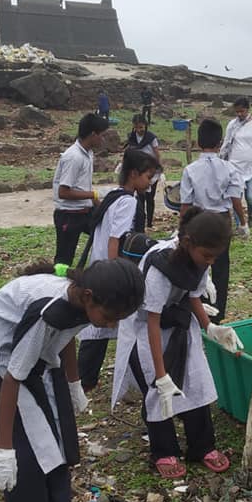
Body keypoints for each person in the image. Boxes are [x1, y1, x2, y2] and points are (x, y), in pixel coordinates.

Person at [0, 260, 145, 502]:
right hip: (4, 355)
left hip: (37, 357)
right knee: (30, 449)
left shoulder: (81, 302)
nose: (109, 326)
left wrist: (73, 383)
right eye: (108, 318)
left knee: (61, 442)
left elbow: (66, 338)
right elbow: (13, 377)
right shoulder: (47, 312)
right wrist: (4, 448)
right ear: (89, 297)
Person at [111, 209, 240, 479]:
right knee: (160, 392)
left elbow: (193, 296)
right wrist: (160, 373)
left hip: (180, 324)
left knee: (196, 381)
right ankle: (163, 449)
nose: (211, 261)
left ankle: (202, 445)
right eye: (207, 255)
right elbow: (152, 322)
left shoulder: (201, 260)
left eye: (215, 256)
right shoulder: (160, 267)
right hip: (149, 332)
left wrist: (209, 327)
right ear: (188, 242)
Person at [76, 150, 158, 391]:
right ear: (134, 174)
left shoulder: (113, 195)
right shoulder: (128, 201)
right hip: (109, 271)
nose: (150, 182)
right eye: (148, 176)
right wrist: (117, 273)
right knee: (123, 325)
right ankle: (91, 380)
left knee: (99, 329)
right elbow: (116, 239)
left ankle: (87, 379)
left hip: (97, 266)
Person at [180, 118, 248, 323]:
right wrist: (243, 223)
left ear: (198, 143)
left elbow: (185, 205)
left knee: (196, 264)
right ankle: (218, 312)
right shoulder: (229, 169)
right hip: (220, 221)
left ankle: (198, 308)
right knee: (220, 266)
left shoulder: (190, 169)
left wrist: (182, 229)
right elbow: (235, 199)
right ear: (220, 143)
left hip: (198, 220)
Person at [52, 113, 109, 266]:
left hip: (85, 212)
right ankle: (58, 285)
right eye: (101, 135)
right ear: (92, 134)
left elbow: (84, 186)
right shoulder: (74, 157)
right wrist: (94, 194)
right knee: (64, 260)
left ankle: (95, 272)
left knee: (106, 235)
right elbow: (63, 192)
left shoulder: (88, 153)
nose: (102, 139)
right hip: (69, 215)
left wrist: (101, 207)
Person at [220, 97, 252, 227]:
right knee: (236, 198)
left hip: (251, 166)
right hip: (234, 167)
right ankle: (239, 224)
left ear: (248, 109)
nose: (240, 114)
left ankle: (251, 214)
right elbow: (226, 144)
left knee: (250, 197)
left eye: (242, 111)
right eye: (237, 112)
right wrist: (220, 159)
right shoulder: (232, 125)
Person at [124, 114, 162, 229]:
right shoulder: (132, 137)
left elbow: (156, 153)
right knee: (140, 197)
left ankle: (149, 223)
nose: (139, 130)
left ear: (145, 126)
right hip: (138, 171)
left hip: (150, 170)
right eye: (136, 127)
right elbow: (129, 151)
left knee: (150, 197)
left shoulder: (151, 138)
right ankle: (141, 221)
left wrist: (157, 168)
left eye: (141, 127)